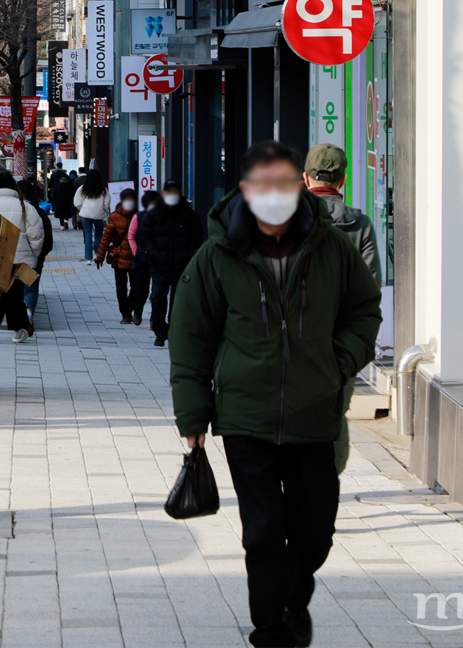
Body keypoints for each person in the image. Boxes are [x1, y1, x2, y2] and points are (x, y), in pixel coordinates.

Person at [169, 141, 381, 648]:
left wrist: (339, 363)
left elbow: (364, 310)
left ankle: (293, 591)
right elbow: (190, 334)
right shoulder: (218, 254)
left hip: (315, 411)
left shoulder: (332, 247)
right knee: (262, 532)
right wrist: (193, 416)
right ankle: (270, 629)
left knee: (314, 532)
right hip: (245, 416)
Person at [304, 144, 383, 475]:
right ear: (344, 180)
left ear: (306, 180)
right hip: (341, 344)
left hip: (293, 340)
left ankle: (292, 492)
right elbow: (370, 289)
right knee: (333, 413)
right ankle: (325, 490)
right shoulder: (360, 224)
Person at [137, 180, 204, 346]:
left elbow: (197, 237)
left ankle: (174, 332)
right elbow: (144, 236)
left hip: (182, 267)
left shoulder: (189, 215)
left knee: (178, 304)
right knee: (158, 298)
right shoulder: (153, 215)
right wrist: (152, 253)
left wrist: (190, 254)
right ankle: (160, 331)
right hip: (159, 265)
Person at [0, 171, 44, 343]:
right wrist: (34, 256)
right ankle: (17, 331)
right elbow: (37, 235)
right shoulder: (25, 205)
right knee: (15, 295)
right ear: (12, 186)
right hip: (19, 260)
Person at [95, 188, 143, 324]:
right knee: (121, 288)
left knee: (137, 287)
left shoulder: (140, 215)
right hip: (119, 257)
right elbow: (106, 237)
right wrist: (100, 256)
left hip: (136, 258)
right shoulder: (115, 216)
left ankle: (130, 307)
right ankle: (126, 314)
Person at [19, 180, 54, 320]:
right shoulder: (40, 213)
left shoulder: (15, 213)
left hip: (14, 260)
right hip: (34, 260)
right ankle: (28, 313)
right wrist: (39, 256)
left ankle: (17, 317)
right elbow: (48, 241)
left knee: (16, 290)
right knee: (31, 290)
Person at [126, 190, 160, 326]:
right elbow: (131, 235)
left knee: (157, 292)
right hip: (141, 258)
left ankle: (154, 319)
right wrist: (136, 251)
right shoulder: (138, 216)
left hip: (158, 258)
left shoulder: (162, 216)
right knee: (142, 291)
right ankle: (138, 311)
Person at [74, 170, 110, 263]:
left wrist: (82, 209)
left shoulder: (83, 188)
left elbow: (77, 202)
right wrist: (103, 210)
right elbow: (107, 203)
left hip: (86, 215)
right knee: (98, 235)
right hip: (99, 215)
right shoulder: (103, 189)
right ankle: (97, 254)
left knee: (88, 235)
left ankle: (88, 258)